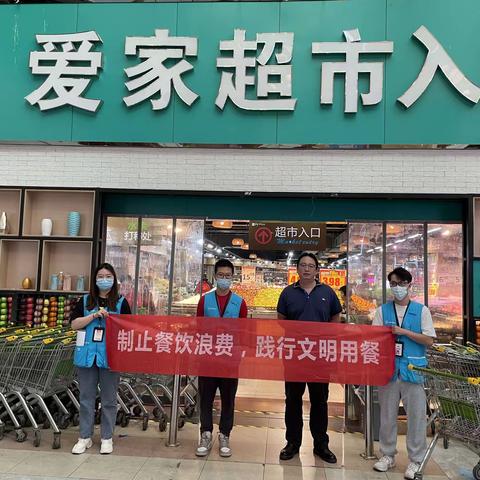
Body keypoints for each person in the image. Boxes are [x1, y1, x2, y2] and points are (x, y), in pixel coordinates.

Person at [277, 252, 342, 463]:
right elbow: (281, 320)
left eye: (310, 266)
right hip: (295, 355)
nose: (306, 269)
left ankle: (321, 444)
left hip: (320, 356)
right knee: (293, 400)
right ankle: (292, 443)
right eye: (302, 265)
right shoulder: (287, 293)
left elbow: (336, 317)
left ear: (316, 270)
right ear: (297, 269)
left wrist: (326, 337)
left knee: (320, 401)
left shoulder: (327, 292)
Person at [372, 267, 436, 480]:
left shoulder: (421, 311)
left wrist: (404, 332)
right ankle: (387, 455)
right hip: (389, 371)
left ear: (409, 284)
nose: (396, 288)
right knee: (387, 416)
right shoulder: (383, 311)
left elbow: (429, 340)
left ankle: (416, 460)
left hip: (413, 371)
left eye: (400, 283)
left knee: (416, 417)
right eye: (393, 284)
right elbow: (374, 338)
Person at [70, 263, 131, 455]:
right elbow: (74, 324)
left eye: (108, 276)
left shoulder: (121, 302)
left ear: (114, 279)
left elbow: (128, 327)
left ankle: (106, 437)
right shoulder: (85, 301)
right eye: (100, 276)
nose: (104, 279)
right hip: (86, 357)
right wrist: (94, 316)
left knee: (109, 400)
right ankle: (84, 437)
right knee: (86, 398)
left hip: (110, 357)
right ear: (95, 280)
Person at [195, 259, 248, 458]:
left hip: (229, 360)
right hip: (208, 358)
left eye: (228, 276)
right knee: (206, 399)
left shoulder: (240, 303)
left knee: (228, 399)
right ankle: (205, 434)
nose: (224, 279)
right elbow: (198, 328)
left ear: (232, 278)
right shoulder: (205, 300)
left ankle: (225, 435)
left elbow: (244, 333)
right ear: (215, 276)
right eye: (221, 275)